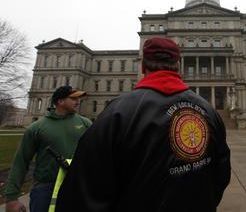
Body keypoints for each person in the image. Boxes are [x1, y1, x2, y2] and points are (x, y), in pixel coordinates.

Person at [55, 37, 231, 212]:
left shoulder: (116, 113)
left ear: (143, 66)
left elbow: (84, 190)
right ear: (178, 64)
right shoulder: (209, 111)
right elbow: (221, 175)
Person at [4, 86, 91, 212]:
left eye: (78, 98)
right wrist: (11, 198)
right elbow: (21, 162)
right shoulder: (37, 128)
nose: (78, 101)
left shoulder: (86, 124)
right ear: (60, 101)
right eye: (73, 98)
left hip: (78, 185)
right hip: (45, 188)